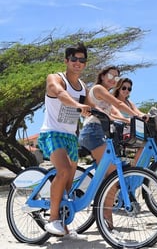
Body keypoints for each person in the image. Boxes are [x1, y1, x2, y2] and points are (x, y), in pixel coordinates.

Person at [78, 66, 143, 230]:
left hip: (102, 132)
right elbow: (118, 103)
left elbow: (113, 113)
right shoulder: (99, 88)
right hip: (92, 132)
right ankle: (105, 215)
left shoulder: (104, 93)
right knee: (113, 173)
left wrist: (133, 117)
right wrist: (137, 116)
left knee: (112, 172)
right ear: (102, 75)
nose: (113, 79)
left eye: (116, 77)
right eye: (110, 75)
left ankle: (104, 213)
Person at [37, 42, 92, 236]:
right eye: (74, 59)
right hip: (51, 133)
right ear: (66, 61)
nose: (78, 63)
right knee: (64, 171)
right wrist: (78, 105)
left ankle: (63, 223)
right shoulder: (55, 78)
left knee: (69, 181)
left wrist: (120, 119)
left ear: (85, 63)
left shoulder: (83, 87)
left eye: (82, 60)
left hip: (70, 137)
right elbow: (60, 94)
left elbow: (93, 108)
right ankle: (52, 220)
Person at [111, 77, 147, 165]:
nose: (126, 90)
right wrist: (126, 120)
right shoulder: (113, 100)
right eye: (124, 88)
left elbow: (137, 112)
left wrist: (145, 115)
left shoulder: (129, 102)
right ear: (118, 87)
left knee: (146, 145)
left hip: (130, 130)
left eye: (129, 89)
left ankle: (135, 168)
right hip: (118, 130)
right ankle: (135, 169)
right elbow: (113, 115)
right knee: (144, 144)